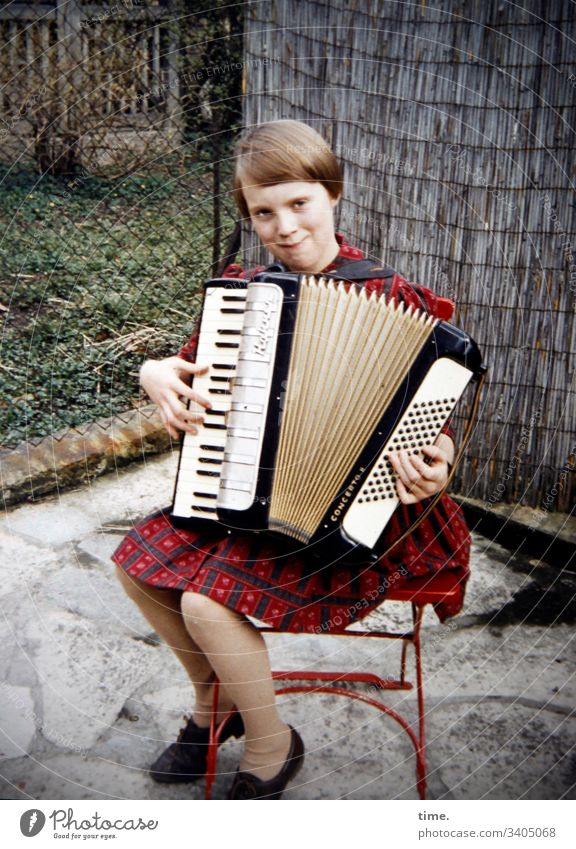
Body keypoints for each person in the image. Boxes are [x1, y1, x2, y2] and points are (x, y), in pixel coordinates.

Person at [113, 119, 471, 800]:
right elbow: (186, 372)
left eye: (299, 202)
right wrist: (154, 372)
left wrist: (441, 458)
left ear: (331, 194)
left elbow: (436, 415)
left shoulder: (394, 298)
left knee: (205, 602)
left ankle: (272, 748)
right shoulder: (240, 298)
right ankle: (216, 704)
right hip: (251, 500)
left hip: (370, 522)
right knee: (138, 565)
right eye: (263, 211)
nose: (283, 225)